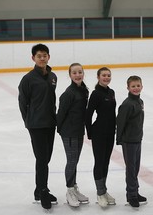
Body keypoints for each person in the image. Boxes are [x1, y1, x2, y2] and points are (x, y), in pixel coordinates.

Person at [18, 43, 57, 210]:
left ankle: (38, 189)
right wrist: (28, 121)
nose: (42, 58)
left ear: (48, 57)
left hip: (50, 123)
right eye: (39, 56)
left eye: (45, 55)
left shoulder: (52, 76)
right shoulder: (27, 79)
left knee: (46, 158)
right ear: (33, 58)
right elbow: (22, 102)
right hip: (36, 125)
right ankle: (42, 190)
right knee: (42, 159)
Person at [56, 63, 89, 207]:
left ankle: (74, 188)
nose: (77, 75)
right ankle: (69, 190)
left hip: (78, 130)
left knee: (75, 160)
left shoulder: (84, 90)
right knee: (71, 161)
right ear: (70, 75)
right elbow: (61, 114)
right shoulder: (68, 93)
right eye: (74, 73)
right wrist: (62, 130)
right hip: (69, 132)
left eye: (80, 72)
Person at [85, 67, 116, 207]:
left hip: (110, 133)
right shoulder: (96, 94)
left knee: (106, 162)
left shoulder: (111, 92)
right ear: (98, 77)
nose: (106, 77)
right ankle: (100, 193)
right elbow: (88, 114)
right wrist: (90, 132)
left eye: (108, 75)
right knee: (99, 162)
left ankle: (104, 191)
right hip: (99, 133)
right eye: (103, 75)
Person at [116, 75, 147, 208]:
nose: (136, 88)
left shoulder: (139, 102)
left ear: (142, 86)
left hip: (137, 139)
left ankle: (135, 191)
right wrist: (120, 140)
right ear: (128, 88)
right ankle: (131, 195)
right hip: (129, 141)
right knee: (131, 169)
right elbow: (120, 122)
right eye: (133, 86)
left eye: (138, 86)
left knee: (136, 168)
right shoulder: (127, 104)